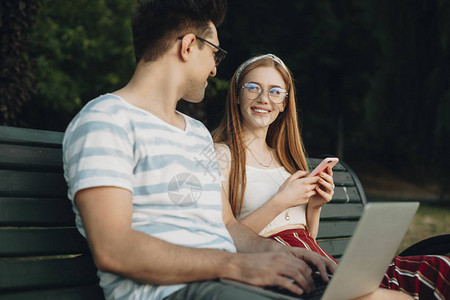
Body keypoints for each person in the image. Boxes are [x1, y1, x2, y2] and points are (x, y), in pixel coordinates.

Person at [62, 1, 341, 300]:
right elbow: (114, 250)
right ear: (188, 46)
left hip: (229, 282)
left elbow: (228, 226)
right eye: (214, 53)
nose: (214, 68)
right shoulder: (106, 120)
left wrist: (289, 254)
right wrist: (239, 266)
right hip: (175, 292)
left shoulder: (196, 134)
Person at [213, 53, 449, 300]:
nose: (264, 99)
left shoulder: (285, 160)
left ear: (284, 103)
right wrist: (280, 202)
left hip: (320, 262)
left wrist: (314, 207)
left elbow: (308, 238)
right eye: (253, 88)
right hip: (285, 272)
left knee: (440, 268)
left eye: (275, 92)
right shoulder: (221, 155)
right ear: (237, 95)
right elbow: (224, 237)